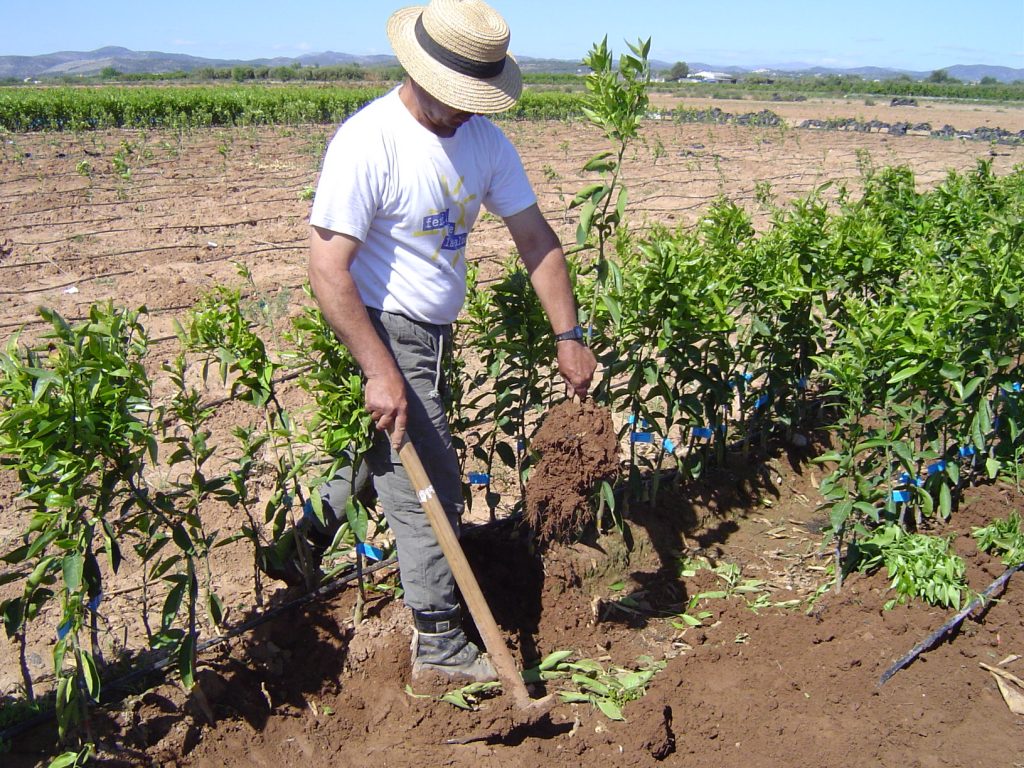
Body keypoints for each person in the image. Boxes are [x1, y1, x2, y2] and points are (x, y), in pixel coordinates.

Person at [283, 0, 596, 684]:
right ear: (418, 72)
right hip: (375, 321)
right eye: (455, 96)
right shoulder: (369, 141)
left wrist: (569, 336)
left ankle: (301, 542)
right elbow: (325, 269)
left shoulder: (484, 142)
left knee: (391, 450)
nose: (464, 110)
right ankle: (440, 647)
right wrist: (378, 367)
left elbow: (536, 238)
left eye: (474, 98)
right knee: (433, 487)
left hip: (430, 332)